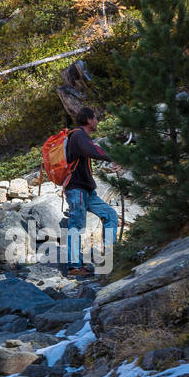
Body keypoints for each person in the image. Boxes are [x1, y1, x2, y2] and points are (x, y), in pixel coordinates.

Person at [62, 106, 122, 277]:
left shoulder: (81, 137)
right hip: (77, 190)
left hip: (86, 190)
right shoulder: (78, 135)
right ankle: (74, 266)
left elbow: (91, 151)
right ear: (88, 120)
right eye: (95, 118)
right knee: (77, 225)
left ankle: (111, 257)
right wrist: (112, 157)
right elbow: (91, 151)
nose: (97, 121)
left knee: (109, 214)